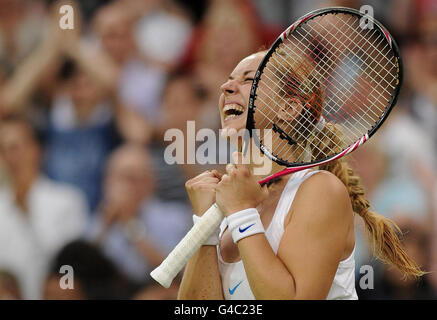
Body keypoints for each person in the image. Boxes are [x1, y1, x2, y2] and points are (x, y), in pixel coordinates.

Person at [177, 51, 424, 300]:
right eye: (230, 79)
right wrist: (204, 224)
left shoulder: (320, 190)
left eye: (248, 80)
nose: (225, 86)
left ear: (288, 107)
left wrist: (242, 213)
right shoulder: (231, 202)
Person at [0, 115, 88, 299]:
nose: (9, 157)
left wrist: (27, 211)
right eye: (2, 150)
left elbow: (67, 269)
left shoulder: (67, 200)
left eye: (14, 148)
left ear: (35, 149)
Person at [87, 144, 191, 285]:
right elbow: (83, 268)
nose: (128, 187)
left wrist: (129, 224)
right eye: (122, 178)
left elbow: (175, 273)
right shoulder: (98, 219)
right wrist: (105, 226)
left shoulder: (174, 217)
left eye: (135, 179)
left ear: (151, 182)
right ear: (107, 181)